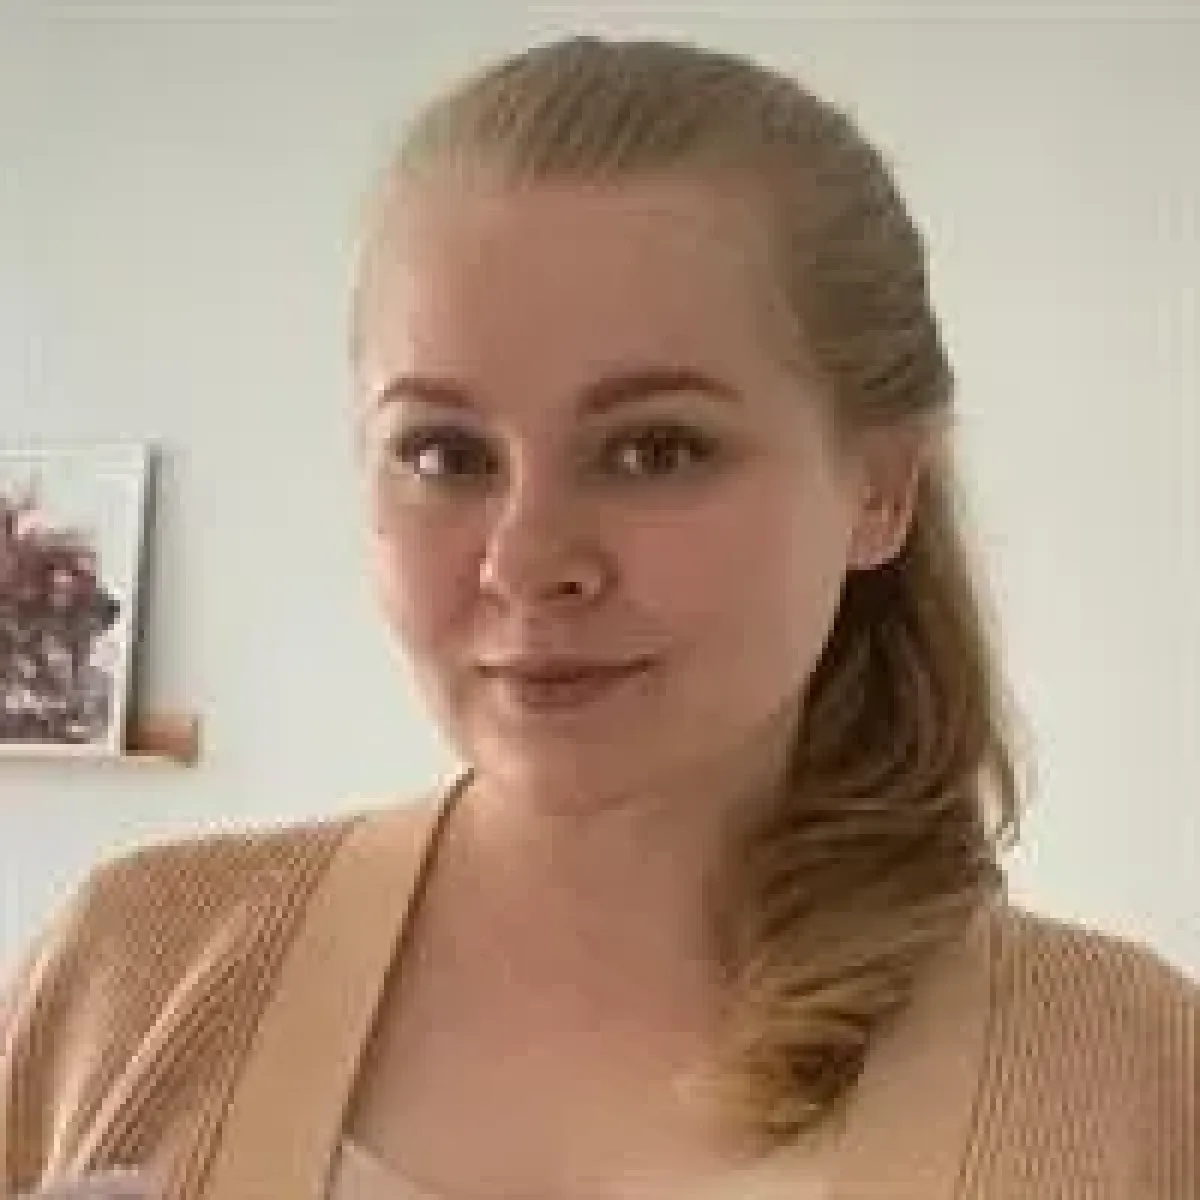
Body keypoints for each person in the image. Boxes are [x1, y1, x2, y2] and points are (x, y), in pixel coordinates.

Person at [2, 34, 1195, 1200]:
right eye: (446, 452)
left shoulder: (1136, 1078)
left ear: (880, 489)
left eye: (655, 449)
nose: (525, 563)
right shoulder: (135, 975)